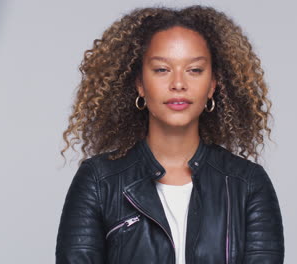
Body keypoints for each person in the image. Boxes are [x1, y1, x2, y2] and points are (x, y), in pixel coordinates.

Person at [56, 5, 284, 264]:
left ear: (213, 85)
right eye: (162, 69)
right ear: (140, 83)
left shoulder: (248, 184)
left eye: (194, 70)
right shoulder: (99, 181)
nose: (178, 84)